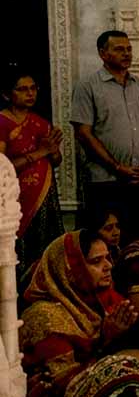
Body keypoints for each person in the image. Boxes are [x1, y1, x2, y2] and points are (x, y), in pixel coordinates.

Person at [18, 230, 138, 397]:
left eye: (108, 257)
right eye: (96, 261)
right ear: (70, 270)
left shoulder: (102, 300)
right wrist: (107, 342)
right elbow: (66, 392)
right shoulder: (44, 317)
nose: (109, 266)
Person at [70, 31, 139, 233]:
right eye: (119, 49)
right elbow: (83, 134)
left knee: (137, 236)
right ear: (103, 54)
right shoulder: (87, 86)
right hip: (105, 182)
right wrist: (117, 167)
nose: (126, 53)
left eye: (129, 49)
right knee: (105, 241)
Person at [0, 71, 64, 264]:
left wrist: (52, 151)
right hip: (16, 198)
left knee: (45, 248)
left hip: (45, 197)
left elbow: (56, 160)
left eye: (33, 88)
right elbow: (2, 166)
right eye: (23, 89)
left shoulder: (41, 122)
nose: (30, 93)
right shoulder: (2, 122)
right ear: (6, 95)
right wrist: (39, 153)